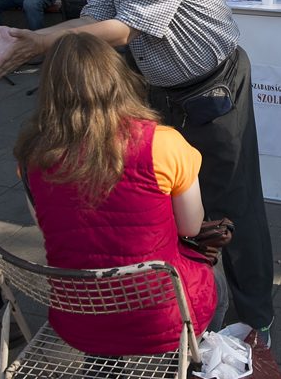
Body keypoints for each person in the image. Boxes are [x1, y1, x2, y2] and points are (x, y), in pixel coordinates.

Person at [0, 0, 276, 345]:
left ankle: (256, 321)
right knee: (169, 200)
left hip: (214, 91)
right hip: (163, 91)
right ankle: (176, 300)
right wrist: (30, 41)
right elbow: (88, 24)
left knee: (236, 206)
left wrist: (39, 44)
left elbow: (126, 28)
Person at [14, 33, 218, 355]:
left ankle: (101, 368)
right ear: (117, 79)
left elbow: (45, 228)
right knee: (215, 285)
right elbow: (191, 228)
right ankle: (187, 364)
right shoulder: (163, 143)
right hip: (160, 316)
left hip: (78, 318)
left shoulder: (32, 156)